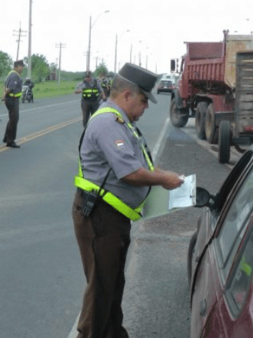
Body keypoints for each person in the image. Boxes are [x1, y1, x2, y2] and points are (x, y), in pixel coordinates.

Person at [72, 63, 184, 338]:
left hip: (112, 217)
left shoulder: (122, 123)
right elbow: (130, 173)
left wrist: (166, 176)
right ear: (127, 96)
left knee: (112, 284)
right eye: (144, 100)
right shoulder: (108, 123)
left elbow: (139, 163)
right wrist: (163, 180)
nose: (146, 107)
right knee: (100, 289)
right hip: (99, 216)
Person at [1, 60, 24, 148]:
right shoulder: (14, 75)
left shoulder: (11, 73)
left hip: (11, 99)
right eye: (21, 67)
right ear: (17, 66)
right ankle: (10, 141)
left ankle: (7, 138)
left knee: (12, 119)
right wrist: (4, 95)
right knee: (14, 120)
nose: (22, 69)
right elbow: (10, 88)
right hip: (12, 99)